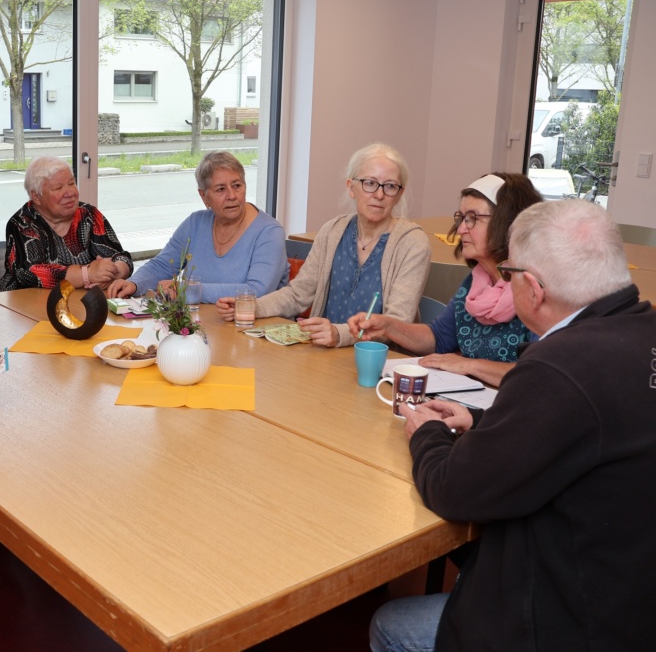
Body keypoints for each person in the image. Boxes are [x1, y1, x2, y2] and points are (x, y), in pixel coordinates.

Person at [369, 199, 655, 652]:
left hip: (573, 619)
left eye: (510, 273)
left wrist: (427, 434)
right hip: (631, 591)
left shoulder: (558, 366)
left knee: (391, 626)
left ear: (534, 289)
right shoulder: (641, 330)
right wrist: (481, 420)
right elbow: (583, 430)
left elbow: (453, 489)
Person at [215, 143, 429, 347]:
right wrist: (253, 307)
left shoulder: (412, 243)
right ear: (351, 187)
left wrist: (339, 334)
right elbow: (297, 294)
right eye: (370, 183)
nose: (379, 195)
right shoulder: (332, 232)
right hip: (323, 353)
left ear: (399, 194)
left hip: (379, 362)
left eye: (390, 186)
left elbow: (396, 323)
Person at [348, 172, 542, 385]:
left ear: (507, 222)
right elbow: (439, 338)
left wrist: (470, 365)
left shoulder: (536, 289)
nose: (460, 230)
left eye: (473, 219)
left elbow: (539, 372)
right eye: (461, 218)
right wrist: (388, 327)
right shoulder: (476, 281)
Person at [107, 151, 287, 303]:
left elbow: (256, 291)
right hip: (202, 324)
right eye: (221, 189)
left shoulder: (269, 232)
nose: (232, 195)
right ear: (203, 196)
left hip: (253, 328)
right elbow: (163, 265)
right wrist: (134, 283)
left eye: (237, 186)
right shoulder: (196, 223)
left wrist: (188, 290)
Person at [0, 155, 133, 290]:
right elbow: (29, 273)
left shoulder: (88, 214)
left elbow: (121, 257)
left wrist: (112, 274)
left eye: (72, 184)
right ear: (36, 196)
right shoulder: (22, 223)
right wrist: (87, 274)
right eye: (58, 188)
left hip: (82, 298)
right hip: (25, 300)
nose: (70, 193)